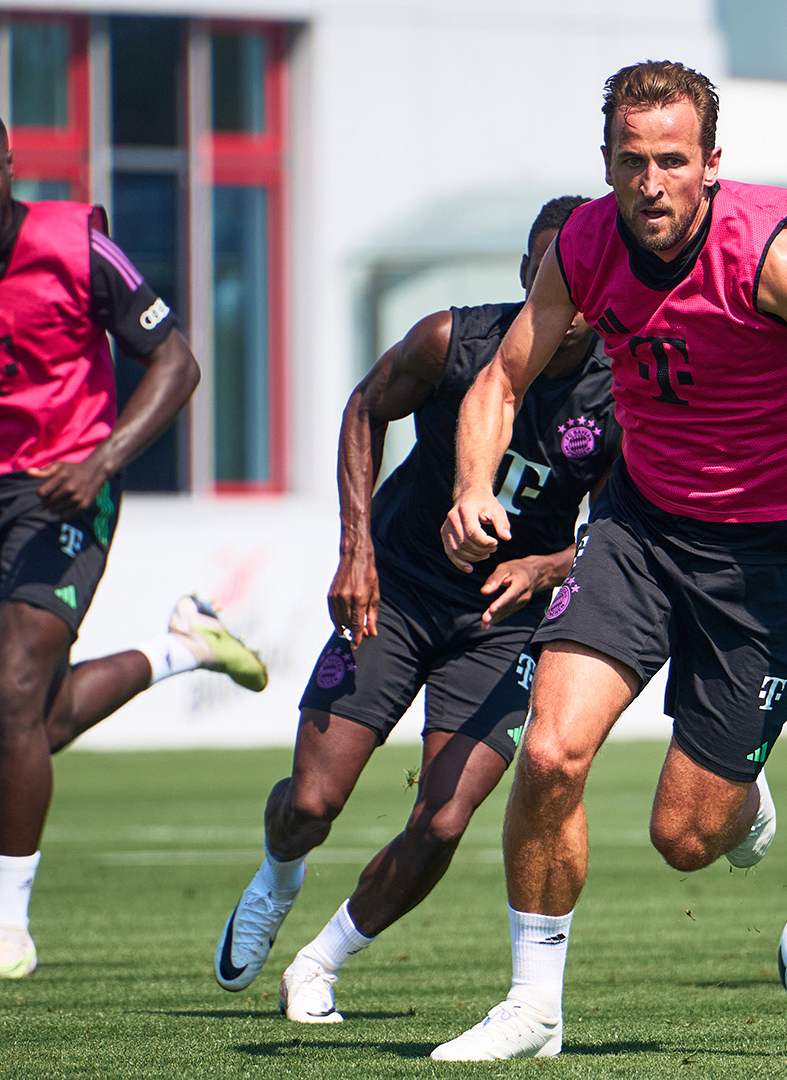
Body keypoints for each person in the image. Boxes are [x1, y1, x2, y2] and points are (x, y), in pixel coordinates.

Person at [431, 60, 787, 1061]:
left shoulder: (770, 253)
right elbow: (503, 377)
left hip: (773, 554)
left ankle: (741, 786)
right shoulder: (585, 245)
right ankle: (534, 1007)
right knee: (550, 751)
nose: (651, 184)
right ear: (606, 164)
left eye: (672, 161)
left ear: (712, 164)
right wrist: (472, 487)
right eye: (631, 162)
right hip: (642, 527)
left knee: (685, 840)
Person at [0, 101, 269, 982]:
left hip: (71, 488)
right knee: (31, 719)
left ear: (11, 165)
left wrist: (104, 461)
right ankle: (179, 648)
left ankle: (8, 933)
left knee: (11, 694)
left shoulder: (76, 241)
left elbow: (178, 362)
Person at [210, 196, 621, 1022]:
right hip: (394, 592)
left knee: (441, 819)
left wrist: (548, 564)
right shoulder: (453, 341)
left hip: (504, 626)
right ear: (527, 275)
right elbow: (365, 408)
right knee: (311, 806)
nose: (567, 294)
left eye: (582, 279)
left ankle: (319, 963)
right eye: (551, 272)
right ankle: (276, 875)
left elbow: (625, 532)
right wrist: (355, 551)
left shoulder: (622, 392)